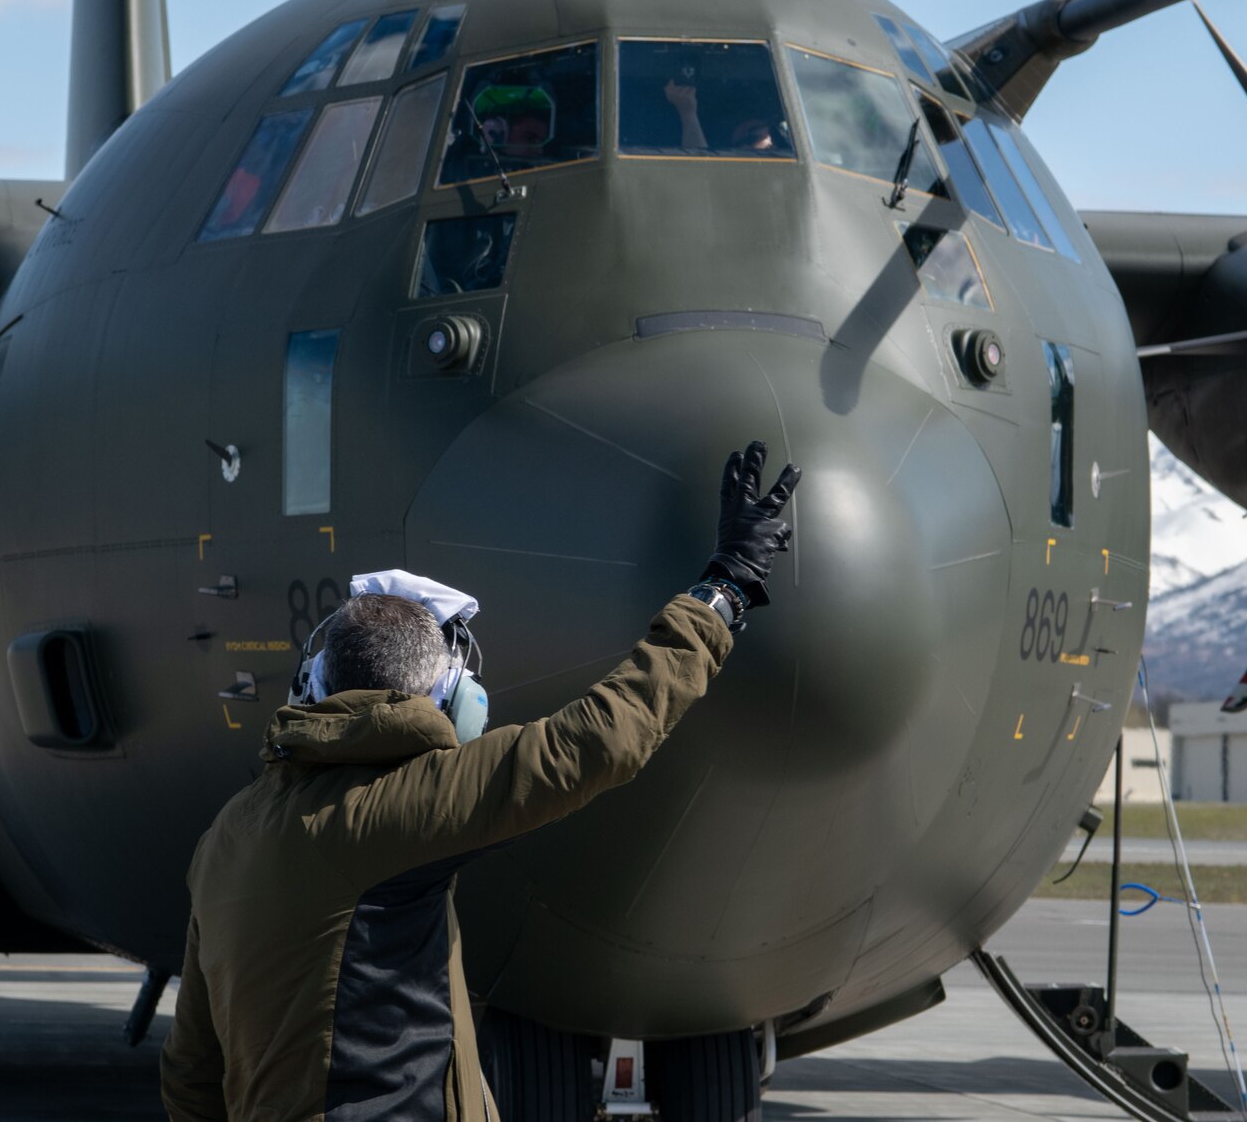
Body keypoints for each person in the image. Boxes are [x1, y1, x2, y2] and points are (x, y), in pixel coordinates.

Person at [159, 441, 803, 1122]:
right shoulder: (396, 812)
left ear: (313, 685)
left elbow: (192, 1071)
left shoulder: (228, 833)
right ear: (446, 699)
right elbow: (597, 739)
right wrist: (723, 589)